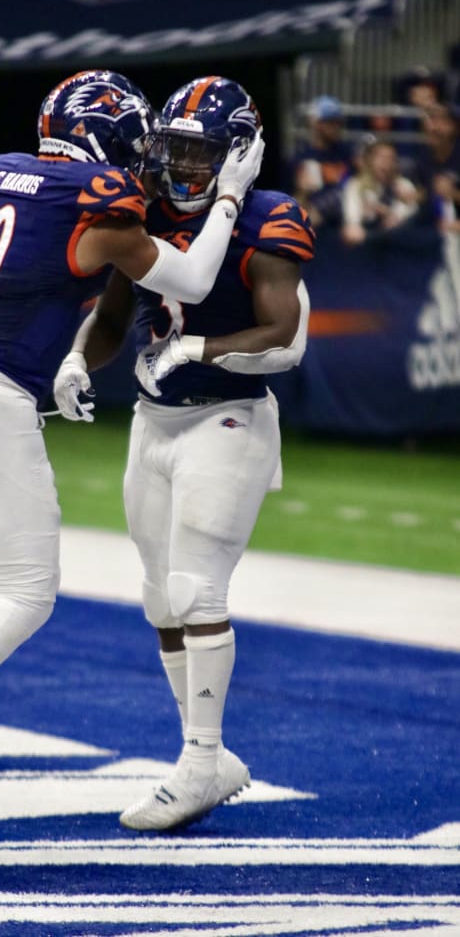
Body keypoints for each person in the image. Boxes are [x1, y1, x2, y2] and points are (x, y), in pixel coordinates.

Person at [0, 69, 266, 831]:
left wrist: (76, 356)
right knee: (29, 595)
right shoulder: (97, 206)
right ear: (108, 137)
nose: (147, 158)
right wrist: (232, 193)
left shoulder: (7, 178)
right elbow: (198, 277)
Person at [53, 75, 315, 831]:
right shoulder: (145, 208)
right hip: (155, 422)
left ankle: (202, 760)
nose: (184, 171)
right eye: (174, 152)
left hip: (228, 418)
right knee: (159, 596)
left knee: (198, 591)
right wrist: (78, 359)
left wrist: (199, 346)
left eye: (203, 155)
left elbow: (285, 340)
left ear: (240, 155)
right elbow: (113, 308)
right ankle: (204, 754)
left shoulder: (268, 216)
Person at [340, 137, 419, 246]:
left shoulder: (404, 185)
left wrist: (386, 212)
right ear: (370, 160)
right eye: (381, 157)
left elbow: (406, 217)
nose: (386, 163)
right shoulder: (356, 185)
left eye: (391, 158)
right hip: (367, 241)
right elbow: (352, 221)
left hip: (398, 243)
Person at [291, 95, 354, 230]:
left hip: (341, 222)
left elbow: (351, 185)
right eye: (329, 122)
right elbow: (290, 196)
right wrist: (303, 193)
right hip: (312, 225)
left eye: (338, 123)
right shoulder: (300, 157)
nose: (335, 127)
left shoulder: (346, 153)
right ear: (315, 123)